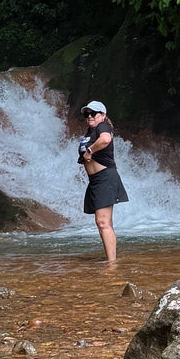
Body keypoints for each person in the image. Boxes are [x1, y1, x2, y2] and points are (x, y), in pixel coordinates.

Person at [78, 100, 128, 266]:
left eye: (94, 113)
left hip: (105, 177)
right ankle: (111, 259)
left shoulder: (103, 127)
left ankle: (112, 264)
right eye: (87, 114)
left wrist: (90, 151)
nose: (90, 116)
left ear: (103, 115)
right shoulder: (91, 131)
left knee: (102, 222)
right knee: (103, 222)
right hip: (96, 180)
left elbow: (105, 139)